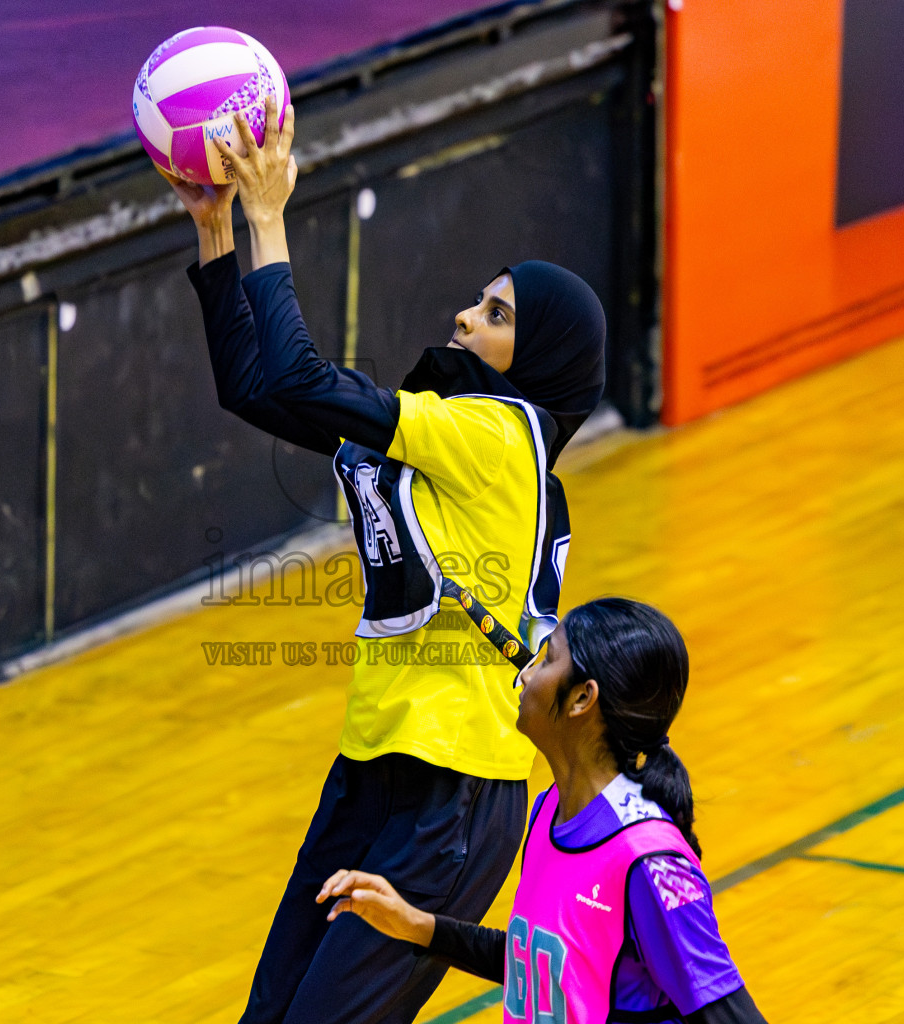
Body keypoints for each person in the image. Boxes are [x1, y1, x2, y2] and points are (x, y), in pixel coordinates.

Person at [159, 94, 607, 1024]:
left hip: (453, 798)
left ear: (541, 360)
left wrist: (269, 217)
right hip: (374, 771)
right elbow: (254, 387)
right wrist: (214, 233)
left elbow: (297, 375)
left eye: (495, 313)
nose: (464, 316)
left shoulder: (498, 433)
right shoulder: (443, 441)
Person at [316, 599, 769, 1024]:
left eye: (548, 659)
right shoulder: (549, 810)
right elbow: (545, 969)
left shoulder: (648, 863)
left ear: (581, 699)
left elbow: (731, 1014)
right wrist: (416, 925)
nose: (527, 673)